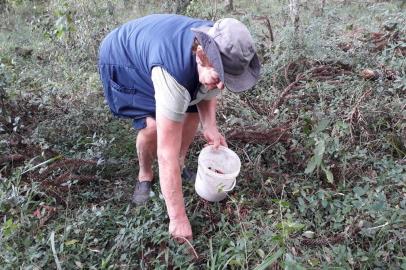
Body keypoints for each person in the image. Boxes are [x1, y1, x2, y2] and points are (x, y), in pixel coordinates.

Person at [98, 14, 260, 240]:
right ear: (202, 56)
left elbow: (207, 90)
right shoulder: (173, 74)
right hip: (125, 59)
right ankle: (145, 174)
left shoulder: (220, 44)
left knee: (190, 114)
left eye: (228, 78)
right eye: (220, 76)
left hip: (162, 53)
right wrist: (178, 219)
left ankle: (181, 164)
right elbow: (165, 154)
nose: (222, 86)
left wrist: (210, 125)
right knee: (153, 127)